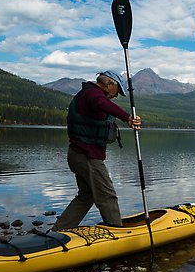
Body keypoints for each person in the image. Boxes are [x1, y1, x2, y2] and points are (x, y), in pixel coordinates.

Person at [52, 70, 141, 231]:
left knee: (86, 196)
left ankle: (60, 230)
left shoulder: (89, 94)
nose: (117, 95)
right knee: (107, 195)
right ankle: (117, 233)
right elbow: (101, 103)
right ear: (109, 85)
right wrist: (127, 117)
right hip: (87, 156)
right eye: (117, 91)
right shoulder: (93, 94)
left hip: (78, 154)